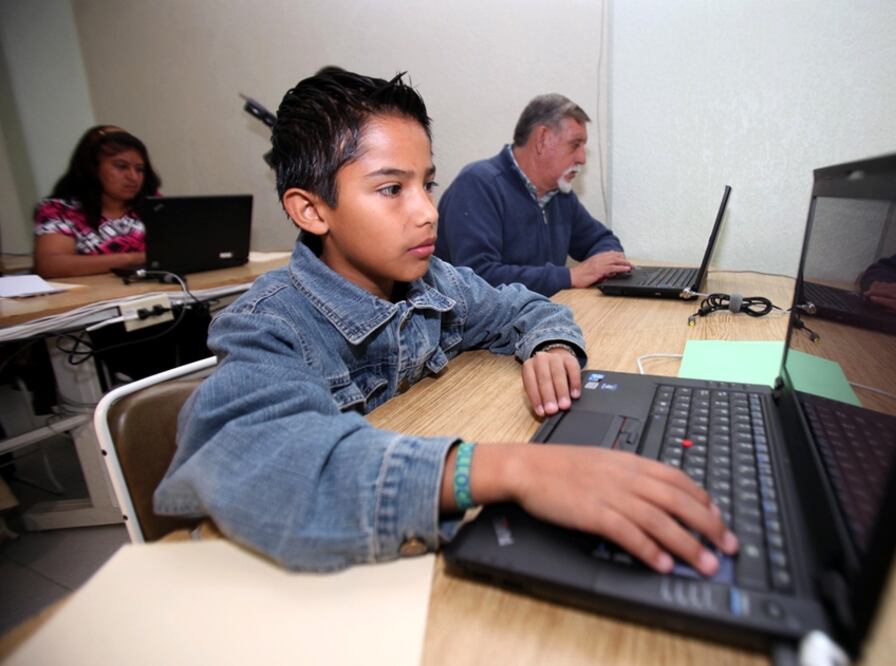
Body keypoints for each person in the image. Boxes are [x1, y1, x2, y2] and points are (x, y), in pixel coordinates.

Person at [154, 70, 736, 575]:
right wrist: (512, 469)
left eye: (425, 183)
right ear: (311, 209)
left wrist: (550, 343)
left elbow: (523, 306)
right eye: (391, 189)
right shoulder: (265, 324)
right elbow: (273, 467)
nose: (429, 210)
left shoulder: (436, 283)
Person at [434, 94, 633, 296]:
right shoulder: (478, 185)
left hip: (539, 318)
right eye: (575, 145)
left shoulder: (559, 193)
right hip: (481, 326)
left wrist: (607, 264)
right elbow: (477, 278)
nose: (582, 158)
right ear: (542, 139)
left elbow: (601, 240)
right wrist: (570, 276)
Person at [33, 125, 161, 278]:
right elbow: (50, 265)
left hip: (156, 295)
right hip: (93, 298)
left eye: (140, 169)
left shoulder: (153, 204)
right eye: (121, 166)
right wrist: (133, 259)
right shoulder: (59, 210)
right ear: (92, 168)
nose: (133, 177)